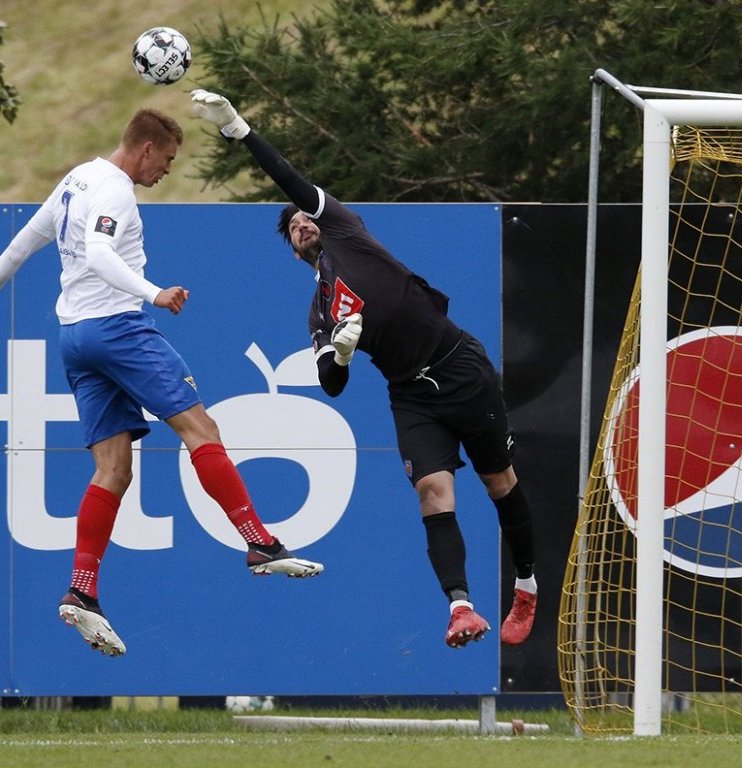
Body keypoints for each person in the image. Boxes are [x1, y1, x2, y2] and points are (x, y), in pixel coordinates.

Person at [190, 90, 538, 649]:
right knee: (432, 491)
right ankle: (461, 607)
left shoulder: (349, 233)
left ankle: (525, 586)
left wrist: (239, 129)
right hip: (412, 396)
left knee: (501, 485)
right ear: (292, 250)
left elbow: (290, 180)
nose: (301, 221)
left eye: (305, 215)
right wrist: (342, 354)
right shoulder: (320, 310)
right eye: (292, 227)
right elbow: (332, 383)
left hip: (459, 366)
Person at [0, 108, 323, 657]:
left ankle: (82, 591)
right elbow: (101, 253)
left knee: (112, 469)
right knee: (202, 428)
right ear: (146, 149)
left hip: (74, 339)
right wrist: (154, 293)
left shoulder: (75, 179)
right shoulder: (116, 192)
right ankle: (259, 543)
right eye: (168, 160)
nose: (167, 172)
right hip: (119, 329)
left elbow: (19, 249)